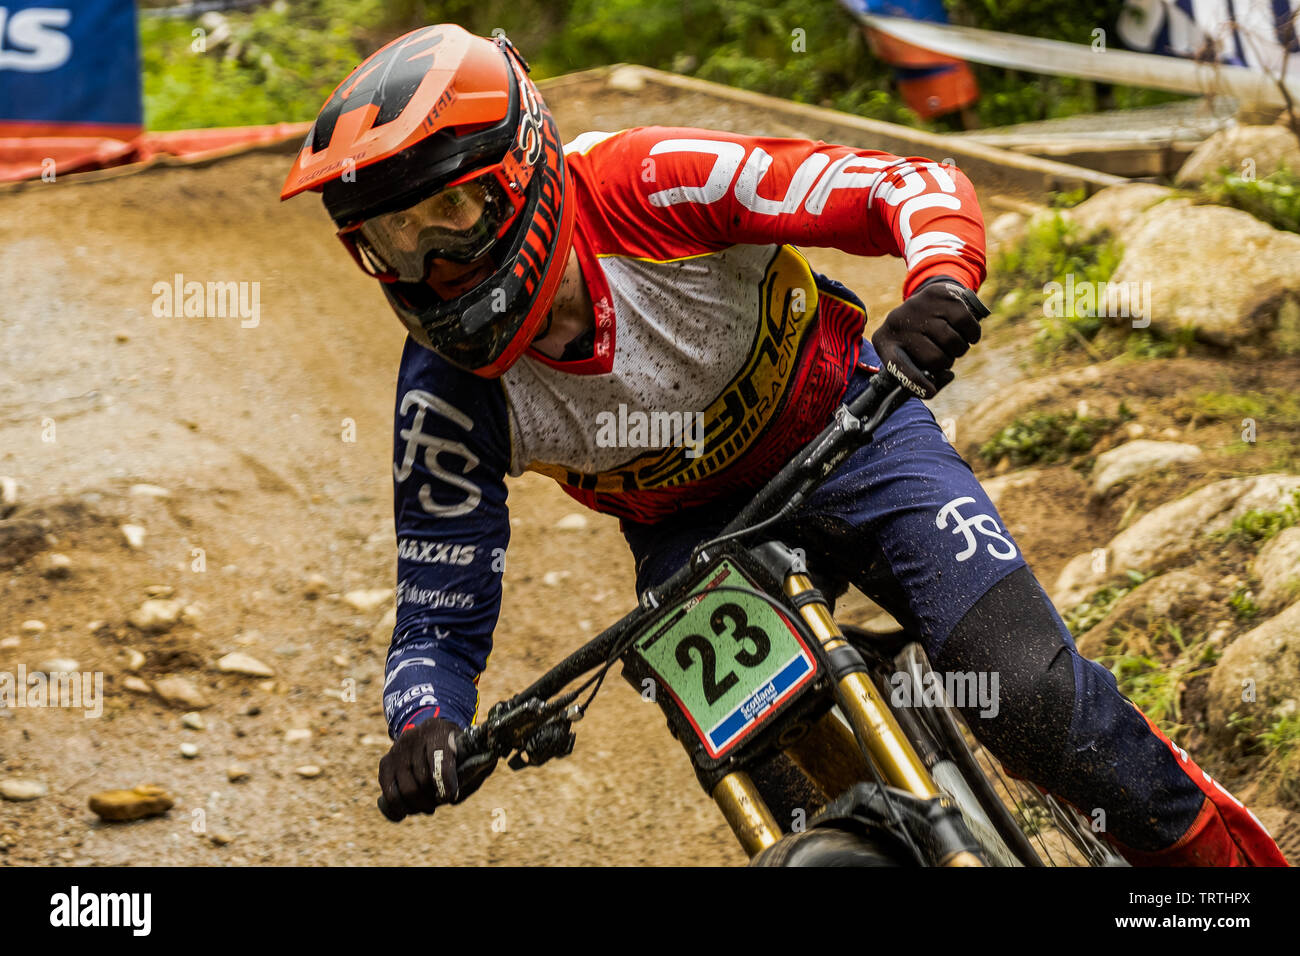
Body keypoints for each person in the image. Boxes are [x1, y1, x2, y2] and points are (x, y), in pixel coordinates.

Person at [281, 23, 1287, 866]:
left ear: (527, 167)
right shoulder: (449, 396)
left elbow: (907, 183)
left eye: (451, 212)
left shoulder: (650, 184)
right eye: (395, 240)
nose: (433, 263)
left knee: (1027, 695)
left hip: (855, 435)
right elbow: (439, 596)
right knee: (785, 790)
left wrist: (938, 279)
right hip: (695, 537)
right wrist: (424, 724)